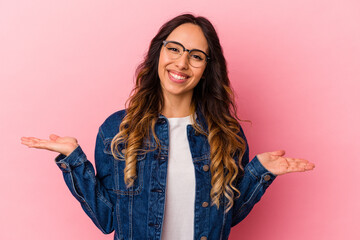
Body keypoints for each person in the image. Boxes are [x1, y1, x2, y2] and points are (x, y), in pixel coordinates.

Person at [21, 14, 315, 240]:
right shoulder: (117, 130)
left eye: (196, 56)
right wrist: (74, 160)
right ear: (158, 53)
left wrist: (258, 173)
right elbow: (108, 219)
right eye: (174, 49)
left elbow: (223, 216)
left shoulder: (225, 134)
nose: (182, 63)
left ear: (206, 69)